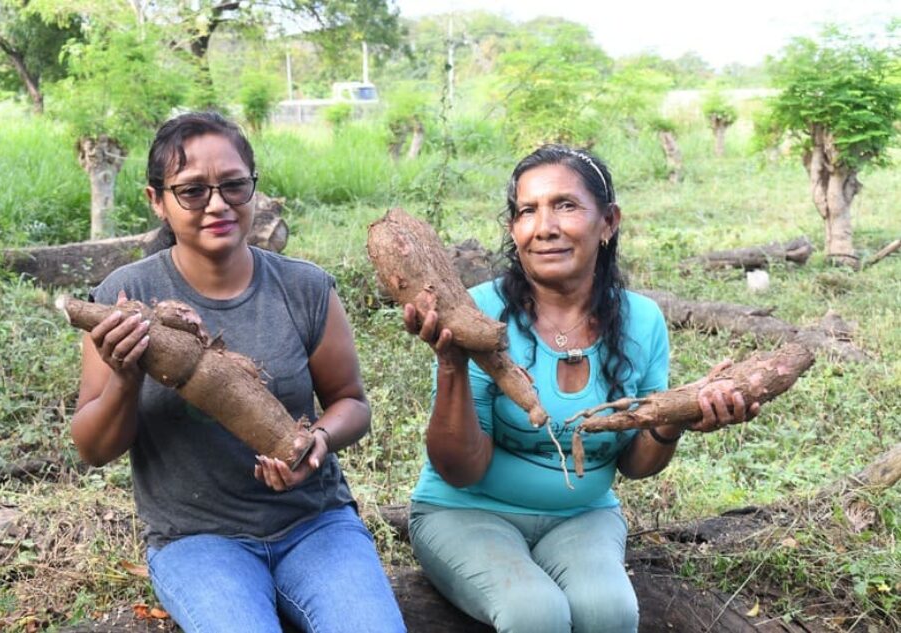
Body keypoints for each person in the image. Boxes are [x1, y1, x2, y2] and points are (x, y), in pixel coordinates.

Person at [70, 111, 406, 633]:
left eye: (234, 186)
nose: (219, 205)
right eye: (192, 191)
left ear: (254, 188)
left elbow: (352, 403)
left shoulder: (306, 288)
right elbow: (92, 449)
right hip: (196, 540)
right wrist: (126, 374)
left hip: (315, 525)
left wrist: (317, 439)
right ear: (156, 200)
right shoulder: (126, 297)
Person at [403, 144, 758, 633]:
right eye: (527, 211)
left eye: (565, 206)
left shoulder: (643, 321)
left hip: (582, 516)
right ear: (513, 229)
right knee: (534, 613)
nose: (544, 227)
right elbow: (461, 469)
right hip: (466, 512)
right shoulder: (477, 313)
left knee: (608, 612)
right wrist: (451, 364)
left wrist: (674, 420)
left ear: (608, 221)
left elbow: (635, 465)